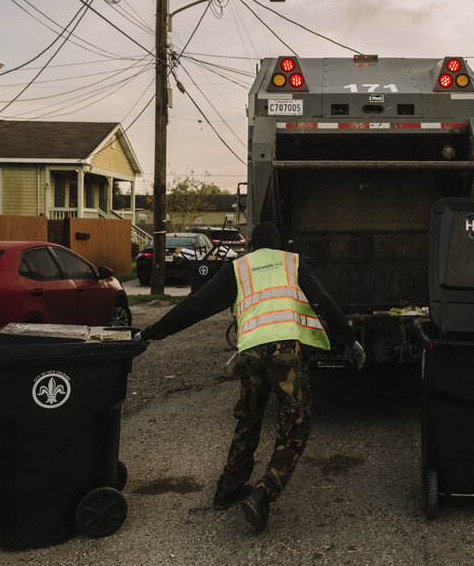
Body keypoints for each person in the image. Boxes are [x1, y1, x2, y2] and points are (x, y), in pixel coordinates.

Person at [135, 221, 366, 532]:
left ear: (252, 246)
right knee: (296, 421)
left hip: (251, 352)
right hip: (285, 351)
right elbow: (324, 301)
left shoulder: (238, 269)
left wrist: (153, 332)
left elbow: (196, 306)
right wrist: (348, 341)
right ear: (281, 243)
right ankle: (263, 493)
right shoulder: (292, 263)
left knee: (250, 419)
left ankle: (228, 489)